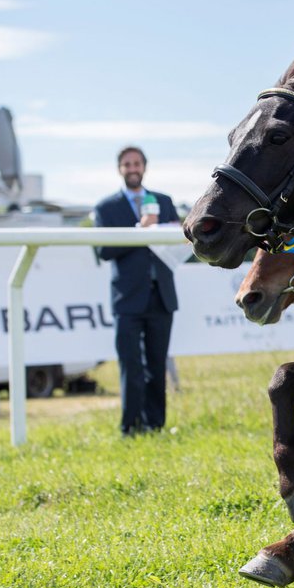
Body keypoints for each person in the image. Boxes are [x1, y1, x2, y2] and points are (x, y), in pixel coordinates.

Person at [94, 146, 180, 436]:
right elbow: (103, 250)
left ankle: (155, 425)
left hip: (161, 295)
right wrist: (139, 230)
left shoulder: (164, 201)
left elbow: (179, 240)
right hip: (128, 299)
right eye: (127, 164)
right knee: (131, 366)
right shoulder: (107, 207)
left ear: (144, 166)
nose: (133, 168)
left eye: (137, 163)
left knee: (157, 365)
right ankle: (130, 427)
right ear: (120, 168)